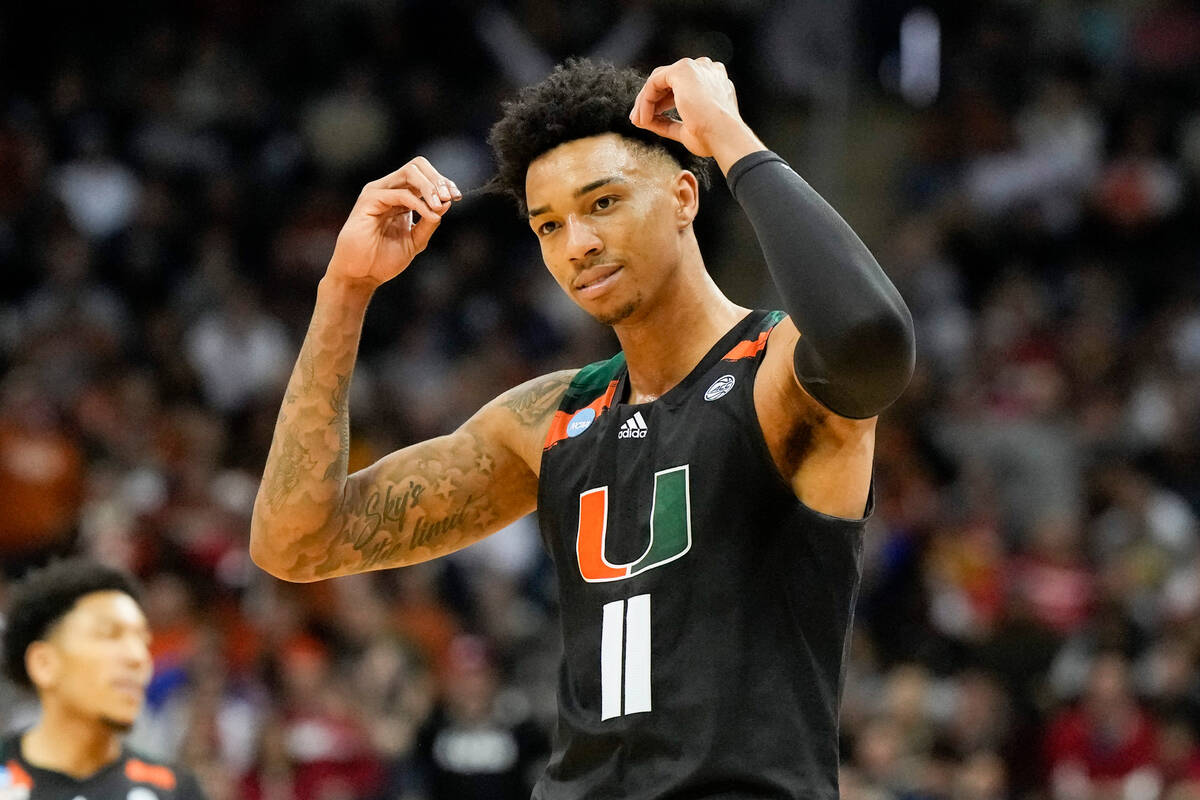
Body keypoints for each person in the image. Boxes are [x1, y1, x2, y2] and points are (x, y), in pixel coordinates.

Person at [250, 56, 915, 799]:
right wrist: (344, 291)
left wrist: (726, 132)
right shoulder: (549, 418)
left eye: (603, 204)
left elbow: (870, 339)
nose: (578, 245)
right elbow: (296, 542)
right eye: (549, 225)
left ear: (685, 194)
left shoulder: (779, 375)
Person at [1, 559, 207, 799]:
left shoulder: (175, 789)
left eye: (143, 641)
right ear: (44, 663)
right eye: (109, 635)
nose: (138, 657)